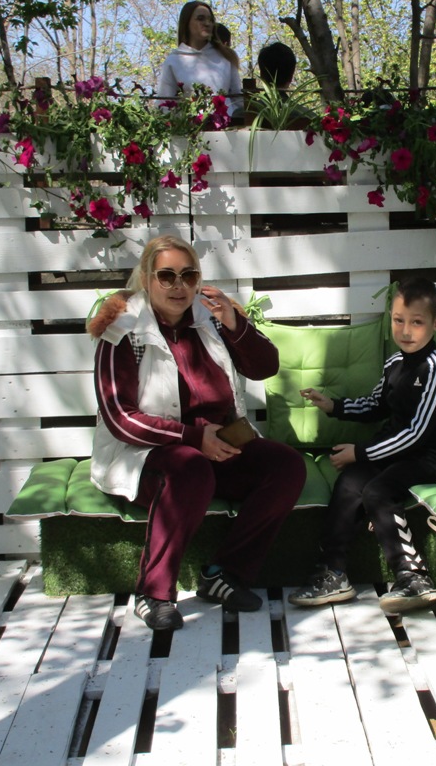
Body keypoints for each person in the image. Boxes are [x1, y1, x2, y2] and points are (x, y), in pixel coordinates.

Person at [89, 234, 305, 630]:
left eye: (188, 275)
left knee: (286, 466)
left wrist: (235, 323)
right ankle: (153, 593)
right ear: (147, 279)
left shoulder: (210, 319)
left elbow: (265, 367)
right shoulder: (124, 330)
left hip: (217, 446)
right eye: (166, 276)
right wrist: (192, 438)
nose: (179, 286)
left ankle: (225, 574)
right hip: (147, 453)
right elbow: (120, 417)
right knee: (190, 468)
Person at [288, 277, 436, 614]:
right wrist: (334, 406)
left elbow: (417, 433)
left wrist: (361, 452)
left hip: (432, 455)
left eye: (417, 322)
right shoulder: (395, 364)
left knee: (377, 490)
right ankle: (333, 573)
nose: (406, 331)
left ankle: (413, 576)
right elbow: (375, 405)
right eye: (399, 320)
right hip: (396, 451)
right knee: (350, 481)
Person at [156, 2, 242, 114]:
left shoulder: (226, 56)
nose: (207, 23)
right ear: (187, 23)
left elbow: (238, 99)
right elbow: (164, 104)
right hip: (190, 123)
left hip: (226, 122)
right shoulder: (174, 60)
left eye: (210, 20)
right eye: (200, 18)